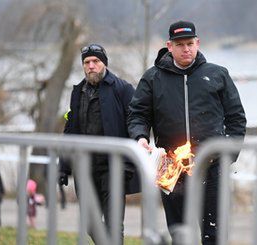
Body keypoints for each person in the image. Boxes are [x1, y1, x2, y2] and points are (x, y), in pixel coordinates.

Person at [127, 20, 246, 244]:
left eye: (190, 43)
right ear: (169, 46)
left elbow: (236, 118)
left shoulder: (218, 74)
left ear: (198, 43)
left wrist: (228, 154)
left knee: (214, 232)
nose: (186, 49)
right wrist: (140, 137)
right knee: (179, 232)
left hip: (211, 165)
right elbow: (137, 114)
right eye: (180, 44)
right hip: (169, 166)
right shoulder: (152, 78)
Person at [58, 44, 139, 241]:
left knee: (113, 225)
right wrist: (64, 166)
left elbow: (135, 125)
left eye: (96, 61)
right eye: (87, 62)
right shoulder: (77, 92)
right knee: (90, 223)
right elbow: (70, 130)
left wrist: (129, 163)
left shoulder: (123, 89)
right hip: (85, 168)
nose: (91, 65)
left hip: (114, 167)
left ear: (104, 63)